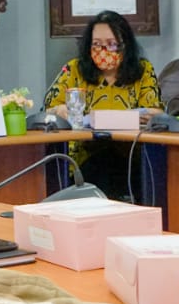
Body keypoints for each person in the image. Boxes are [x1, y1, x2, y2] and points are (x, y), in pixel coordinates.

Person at [43, 11, 162, 198]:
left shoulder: (143, 70)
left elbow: (155, 110)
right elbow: (48, 109)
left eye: (111, 44)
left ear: (125, 45)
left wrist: (145, 115)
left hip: (131, 154)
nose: (103, 50)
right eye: (96, 44)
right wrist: (60, 109)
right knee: (102, 164)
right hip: (84, 154)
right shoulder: (74, 69)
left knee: (117, 164)